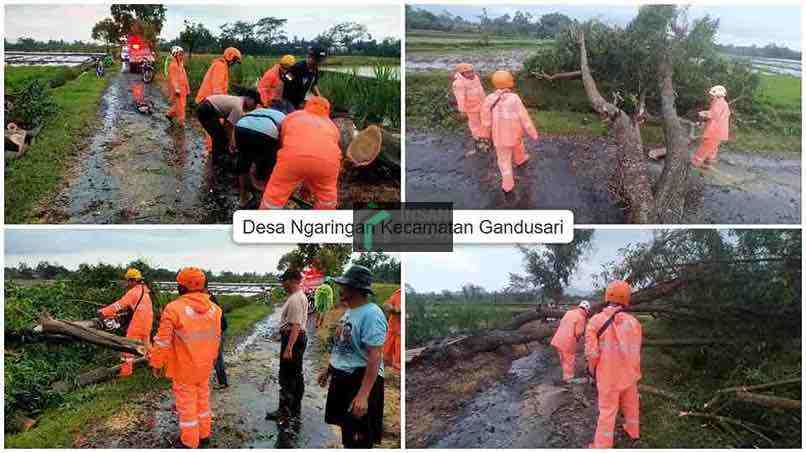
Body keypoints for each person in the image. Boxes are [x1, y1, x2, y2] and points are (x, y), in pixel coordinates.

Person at [150, 267, 222, 449]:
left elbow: (162, 341)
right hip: (205, 366)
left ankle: (189, 442)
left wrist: (157, 363)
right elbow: (216, 339)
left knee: (187, 406)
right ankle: (204, 435)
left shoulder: (173, 309)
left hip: (184, 369)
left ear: (180, 287)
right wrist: (212, 359)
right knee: (203, 402)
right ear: (204, 285)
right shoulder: (216, 310)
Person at [319, 265, 387, 449]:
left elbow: (375, 356)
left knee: (359, 439)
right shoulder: (350, 312)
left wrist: (363, 395)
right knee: (347, 431)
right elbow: (343, 346)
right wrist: (329, 370)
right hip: (343, 379)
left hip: (360, 381)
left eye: (344, 286)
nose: (340, 290)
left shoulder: (372, 314)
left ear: (355, 289)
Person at [585, 280, 642, 449]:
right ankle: (633, 431)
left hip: (609, 377)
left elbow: (592, 353)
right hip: (630, 375)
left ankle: (601, 446)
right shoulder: (635, 323)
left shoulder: (595, 321)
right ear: (626, 299)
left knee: (608, 411)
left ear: (607, 296)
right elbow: (637, 350)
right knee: (631, 405)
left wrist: (591, 371)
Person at [259, 96, 341, 210]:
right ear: (327, 110)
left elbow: (283, 140)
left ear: (307, 105)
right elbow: (318, 155)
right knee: (327, 198)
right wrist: (307, 185)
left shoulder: (293, 116)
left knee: (275, 194)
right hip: (328, 164)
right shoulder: (333, 126)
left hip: (292, 158)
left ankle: (263, 223)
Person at [480, 70, 539, 193]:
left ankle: (508, 185)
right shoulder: (514, 99)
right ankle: (520, 159)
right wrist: (533, 133)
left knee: (503, 161)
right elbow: (525, 118)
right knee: (518, 146)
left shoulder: (489, 99)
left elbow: (485, 121)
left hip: (499, 138)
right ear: (509, 82)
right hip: (515, 134)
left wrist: (485, 136)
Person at [266, 269, 309, 424]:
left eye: (284, 281)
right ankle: (294, 409)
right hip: (296, 338)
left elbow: (296, 325)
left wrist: (289, 347)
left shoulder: (296, 298)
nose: (282, 284)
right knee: (296, 375)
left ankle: (285, 412)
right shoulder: (298, 296)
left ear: (291, 280)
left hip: (293, 339)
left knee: (287, 376)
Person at [99, 268, 153, 377]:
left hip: (138, 322)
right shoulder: (144, 290)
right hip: (148, 321)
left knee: (127, 346)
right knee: (147, 345)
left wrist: (104, 312)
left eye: (128, 280)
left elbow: (119, 304)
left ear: (133, 281)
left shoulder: (133, 292)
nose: (126, 283)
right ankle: (155, 365)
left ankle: (126, 372)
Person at [234, 107, 286, 208]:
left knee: (243, 163)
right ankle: (262, 199)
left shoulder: (260, 109)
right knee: (266, 169)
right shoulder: (286, 118)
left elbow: (241, 119)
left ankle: (243, 198)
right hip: (267, 132)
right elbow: (282, 144)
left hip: (241, 126)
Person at [195, 47, 242, 149]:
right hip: (209, 102)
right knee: (214, 129)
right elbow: (217, 89)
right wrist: (223, 104)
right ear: (230, 57)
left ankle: (214, 150)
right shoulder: (220, 66)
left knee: (214, 129)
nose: (234, 64)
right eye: (234, 61)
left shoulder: (222, 66)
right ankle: (212, 151)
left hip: (210, 101)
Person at [196, 90, 261, 163]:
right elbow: (229, 127)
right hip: (206, 109)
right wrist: (232, 143)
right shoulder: (238, 107)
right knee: (219, 138)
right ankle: (217, 163)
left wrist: (230, 141)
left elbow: (226, 125)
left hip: (206, 106)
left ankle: (219, 160)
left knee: (221, 137)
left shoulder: (239, 101)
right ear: (250, 99)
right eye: (255, 104)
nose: (255, 107)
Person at [549, 300, 591, 383]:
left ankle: (565, 376)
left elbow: (562, 323)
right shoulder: (581, 317)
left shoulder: (569, 312)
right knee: (569, 360)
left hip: (558, 339)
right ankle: (569, 379)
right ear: (586, 310)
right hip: (568, 342)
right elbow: (578, 332)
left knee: (563, 360)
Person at [691, 85, 731, 168]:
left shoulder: (719, 103)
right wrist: (705, 117)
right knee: (712, 148)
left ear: (717, 95)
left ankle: (694, 163)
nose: (710, 96)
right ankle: (708, 163)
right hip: (719, 131)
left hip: (715, 131)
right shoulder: (722, 103)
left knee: (705, 146)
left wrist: (702, 114)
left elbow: (713, 115)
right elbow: (716, 115)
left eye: (712, 95)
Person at [452, 63, 488, 153]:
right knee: (475, 124)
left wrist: (486, 102)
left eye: (472, 71)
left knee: (484, 122)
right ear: (461, 73)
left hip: (482, 105)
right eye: (467, 73)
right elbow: (460, 98)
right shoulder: (458, 83)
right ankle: (479, 140)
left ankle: (486, 137)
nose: (471, 74)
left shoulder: (476, 78)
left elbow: (481, 90)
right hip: (471, 108)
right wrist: (462, 110)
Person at [208, 292, 228, 389]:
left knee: (217, 358)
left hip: (218, 332)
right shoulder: (215, 307)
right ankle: (222, 381)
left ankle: (223, 382)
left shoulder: (213, 308)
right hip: (218, 331)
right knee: (217, 357)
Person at [166, 46, 190, 127]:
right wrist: (176, 89)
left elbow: (185, 77)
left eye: (182, 54)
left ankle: (169, 115)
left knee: (179, 105)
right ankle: (181, 123)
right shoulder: (173, 65)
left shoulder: (181, 65)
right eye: (179, 54)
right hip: (177, 90)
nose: (181, 56)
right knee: (181, 107)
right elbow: (173, 79)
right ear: (175, 55)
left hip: (183, 89)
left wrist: (188, 88)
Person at [382, 288, 401, 371]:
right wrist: (391, 308)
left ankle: (397, 365)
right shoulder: (397, 293)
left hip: (399, 331)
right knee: (386, 351)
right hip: (393, 328)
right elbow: (386, 305)